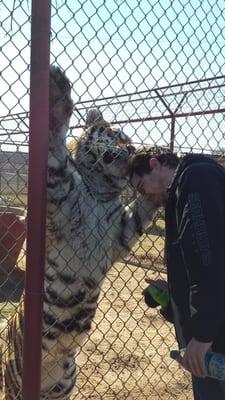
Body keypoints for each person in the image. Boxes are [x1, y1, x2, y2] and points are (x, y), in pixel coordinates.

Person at [128, 146, 225, 399]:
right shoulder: (183, 191)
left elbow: (211, 262)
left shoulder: (196, 179)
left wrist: (203, 336)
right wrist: (173, 296)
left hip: (215, 340)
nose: (144, 197)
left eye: (141, 188)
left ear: (154, 164)